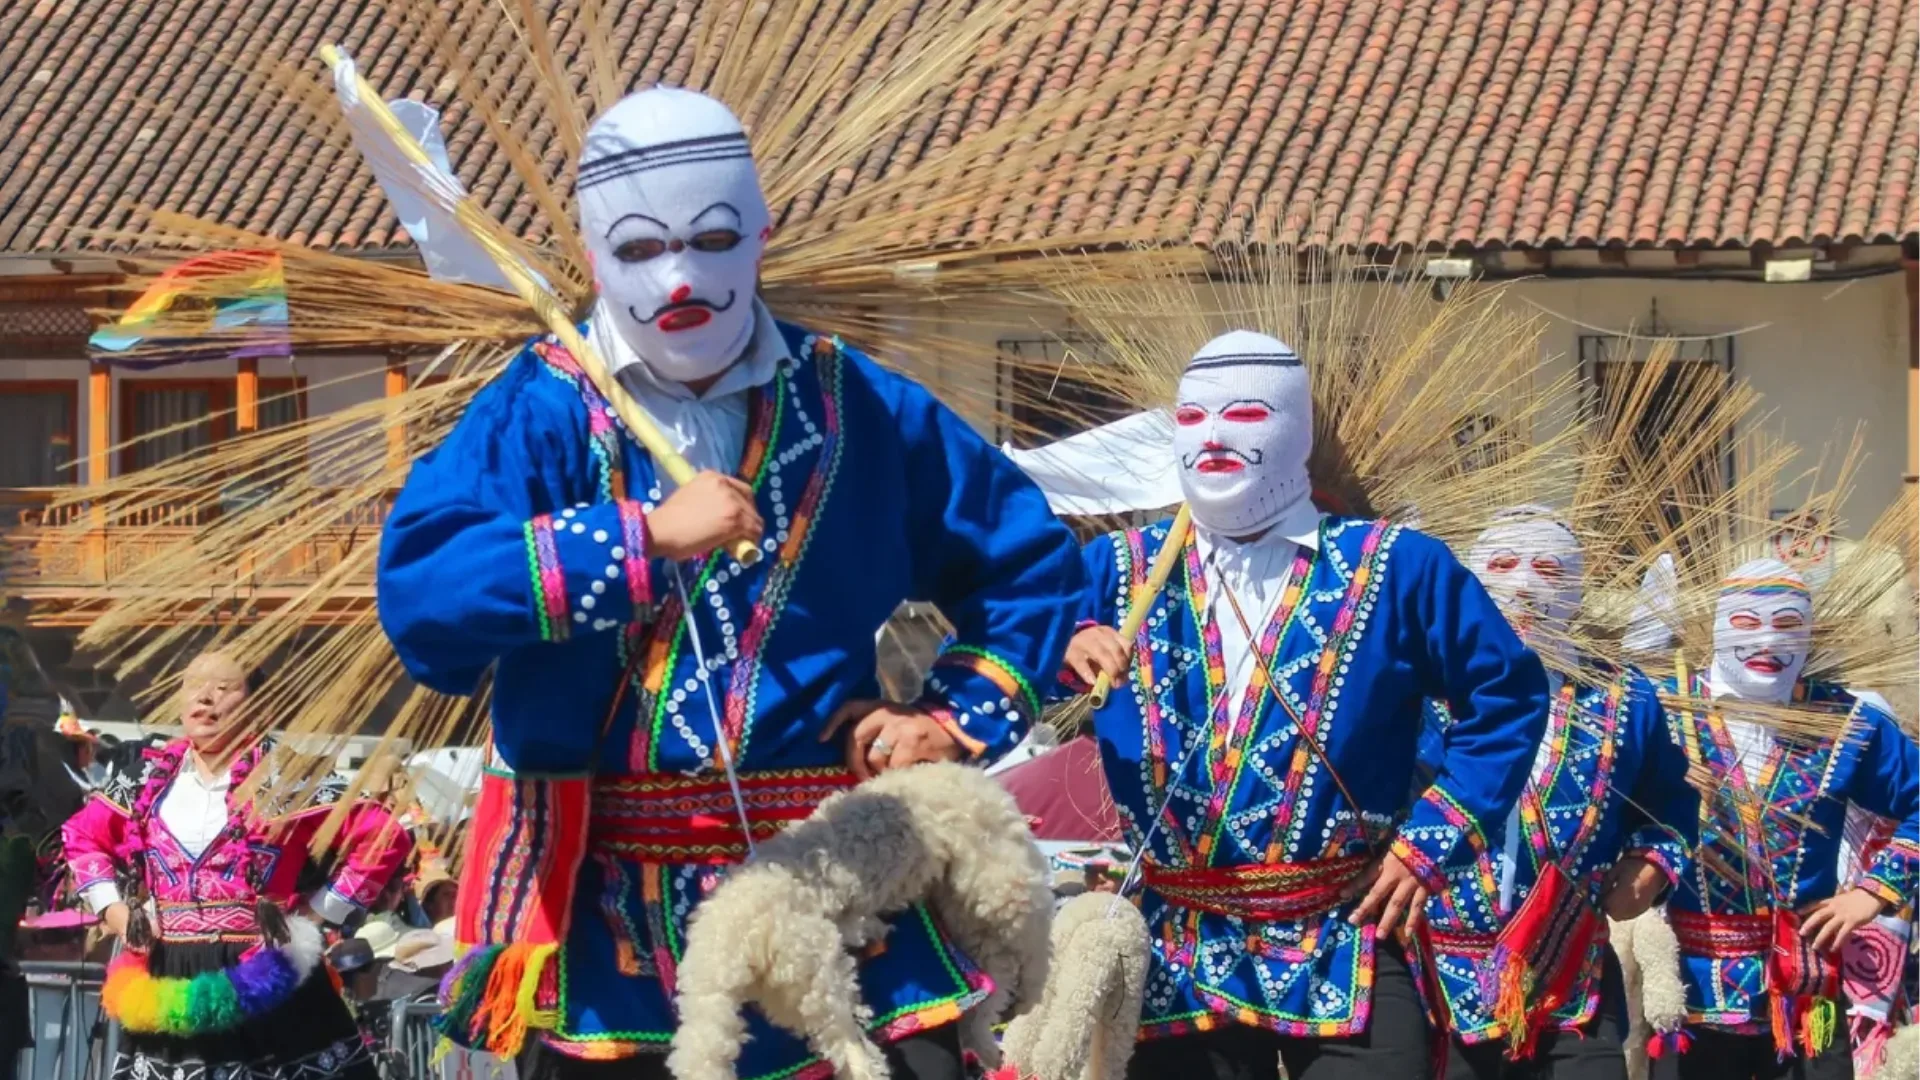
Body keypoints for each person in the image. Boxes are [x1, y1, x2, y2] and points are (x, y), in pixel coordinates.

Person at [375, 87, 1083, 1080]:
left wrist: (951, 719)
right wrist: (637, 540)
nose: (679, 278)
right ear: (590, 259)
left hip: (838, 879)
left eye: (712, 240)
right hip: (604, 904)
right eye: (636, 253)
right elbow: (420, 597)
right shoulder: (537, 411)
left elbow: (1031, 562)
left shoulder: (863, 407)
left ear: (760, 232)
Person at [1060, 331, 1551, 1080]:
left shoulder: (1399, 565)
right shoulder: (1111, 572)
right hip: (1178, 946)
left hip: (1347, 922)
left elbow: (1507, 695)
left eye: (1246, 414)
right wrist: (1056, 647)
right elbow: (995, 646)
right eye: (1192, 420)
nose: (1216, 438)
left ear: (1295, 427)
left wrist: (1432, 843)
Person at [1417, 507, 1700, 1080]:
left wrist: (1651, 864)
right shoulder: (1420, 688)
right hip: (1438, 978)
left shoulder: (1624, 697)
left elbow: (1672, 805)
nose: (1523, 586)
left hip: (1574, 978)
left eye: (1547, 569)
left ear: (1576, 588)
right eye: (1501, 564)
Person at [61, 650, 411, 1080]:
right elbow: (82, 837)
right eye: (194, 687)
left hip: (266, 970)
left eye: (224, 688)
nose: (206, 699)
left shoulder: (290, 777)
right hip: (172, 974)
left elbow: (384, 838)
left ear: (258, 703)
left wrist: (317, 913)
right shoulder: (145, 777)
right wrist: (116, 913)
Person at [1656, 559, 1919, 1080]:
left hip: (1808, 989)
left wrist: (1874, 891)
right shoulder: (1662, 708)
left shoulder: (1845, 721)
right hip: (1695, 989)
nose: (1768, 642)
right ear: (1717, 625)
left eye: (1787, 624)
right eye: (1748, 624)